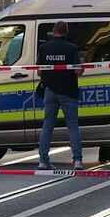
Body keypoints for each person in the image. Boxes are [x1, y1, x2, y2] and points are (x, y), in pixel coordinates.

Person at [38, 20, 85, 170]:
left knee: (47, 126)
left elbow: (39, 71)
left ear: (53, 31)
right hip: (68, 91)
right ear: (66, 32)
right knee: (72, 126)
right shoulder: (72, 49)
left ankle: (43, 161)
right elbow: (78, 71)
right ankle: (77, 161)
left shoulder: (44, 47)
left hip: (50, 90)